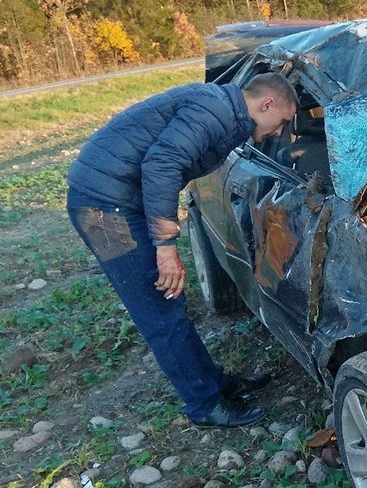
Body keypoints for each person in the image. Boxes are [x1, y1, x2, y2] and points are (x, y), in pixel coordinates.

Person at [66, 73, 298, 428]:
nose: (279, 131)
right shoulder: (214, 113)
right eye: (281, 121)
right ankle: (204, 406)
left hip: (120, 196)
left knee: (170, 302)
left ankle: (213, 384)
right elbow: (161, 165)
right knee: (160, 309)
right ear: (266, 104)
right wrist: (165, 248)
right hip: (104, 206)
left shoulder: (224, 110)